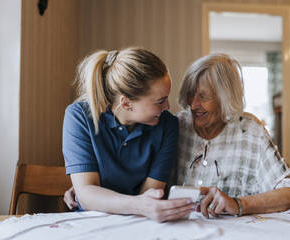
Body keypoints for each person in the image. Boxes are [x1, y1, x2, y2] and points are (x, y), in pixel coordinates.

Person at [62, 47, 195, 223]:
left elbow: (150, 195)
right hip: (90, 222)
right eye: (160, 101)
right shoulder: (80, 116)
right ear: (126, 104)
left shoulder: (167, 124)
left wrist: (98, 197)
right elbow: (87, 195)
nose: (167, 107)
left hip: (139, 222)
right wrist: (137, 204)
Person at [175, 53, 290, 218]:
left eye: (203, 96)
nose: (193, 105)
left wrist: (238, 204)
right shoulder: (177, 126)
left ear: (225, 98)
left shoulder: (250, 132)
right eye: (190, 94)